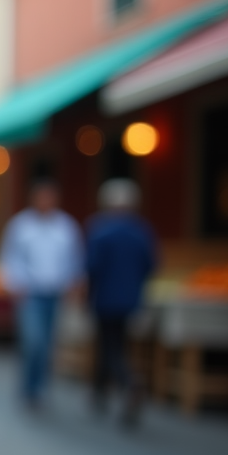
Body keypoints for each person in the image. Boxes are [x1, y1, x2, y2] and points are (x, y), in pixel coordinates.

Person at [0, 178, 84, 410]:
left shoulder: (66, 226)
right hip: (30, 293)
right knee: (33, 341)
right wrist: (16, 284)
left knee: (48, 344)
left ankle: (39, 389)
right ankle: (28, 387)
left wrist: (72, 284)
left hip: (55, 292)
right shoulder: (21, 225)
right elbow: (10, 258)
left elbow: (73, 260)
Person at [86, 178, 157, 427]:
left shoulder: (100, 229)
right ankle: (99, 392)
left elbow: (92, 266)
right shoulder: (141, 230)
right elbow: (151, 265)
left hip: (105, 298)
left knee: (109, 345)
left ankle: (128, 383)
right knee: (116, 344)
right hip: (131, 299)